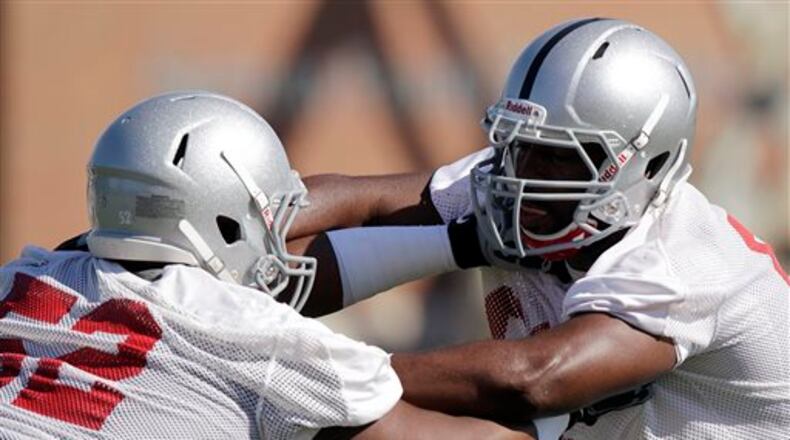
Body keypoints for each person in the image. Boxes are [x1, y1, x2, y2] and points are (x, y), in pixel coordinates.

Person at [287, 18, 790, 439]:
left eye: (560, 158)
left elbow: (533, 381)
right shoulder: (517, 179)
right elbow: (365, 202)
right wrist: (236, 247)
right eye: (520, 146)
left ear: (648, 165)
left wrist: (316, 372)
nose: (524, 178)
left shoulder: (678, 258)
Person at [0, 91, 531, 439]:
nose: (283, 242)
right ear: (225, 225)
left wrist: (462, 243)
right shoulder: (247, 333)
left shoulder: (20, 277)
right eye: (272, 221)